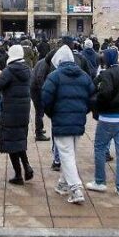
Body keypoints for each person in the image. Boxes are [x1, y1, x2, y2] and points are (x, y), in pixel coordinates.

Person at [42, 44, 95, 204]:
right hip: (78, 121)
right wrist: (82, 111)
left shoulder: (54, 76)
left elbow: (45, 99)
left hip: (61, 121)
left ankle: (75, 188)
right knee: (70, 154)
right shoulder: (84, 76)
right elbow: (92, 98)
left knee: (66, 155)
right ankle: (63, 184)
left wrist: (53, 114)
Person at [87, 47, 119, 195]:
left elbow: (103, 93)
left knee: (100, 148)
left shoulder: (107, 74)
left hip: (107, 118)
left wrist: (98, 105)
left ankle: (99, 181)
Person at [0, 44, 35, 187]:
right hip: (23, 110)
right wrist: (1, 75)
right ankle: (27, 167)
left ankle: (18, 175)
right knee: (19, 139)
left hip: (10, 111)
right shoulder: (27, 70)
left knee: (10, 142)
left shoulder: (9, 70)